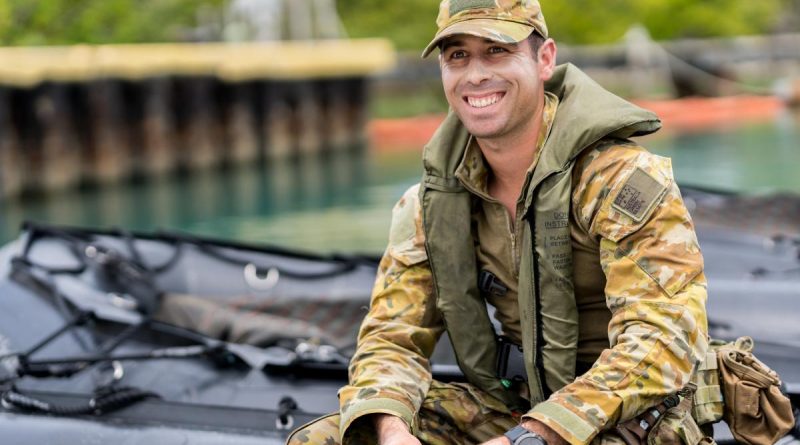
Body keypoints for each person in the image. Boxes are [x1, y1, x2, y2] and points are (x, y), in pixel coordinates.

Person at [287, 0, 709, 444]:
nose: (475, 74)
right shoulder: (429, 203)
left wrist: (530, 437)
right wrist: (392, 429)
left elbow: (664, 338)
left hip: (630, 413)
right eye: (457, 56)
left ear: (544, 59)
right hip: (514, 402)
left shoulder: (619, 179)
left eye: (496, 51)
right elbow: (392, 339)